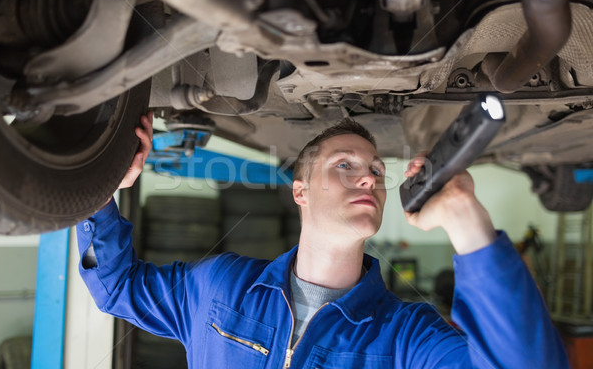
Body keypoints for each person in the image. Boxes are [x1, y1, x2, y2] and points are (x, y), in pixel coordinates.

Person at [76, 113, 569, 368]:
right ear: (300, 190)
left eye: (376, 171)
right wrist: (103, 191)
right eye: (345, 166)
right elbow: (116, 288)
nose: (368, 179)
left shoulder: (403, 338)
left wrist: (466, 219)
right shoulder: (219, 288)